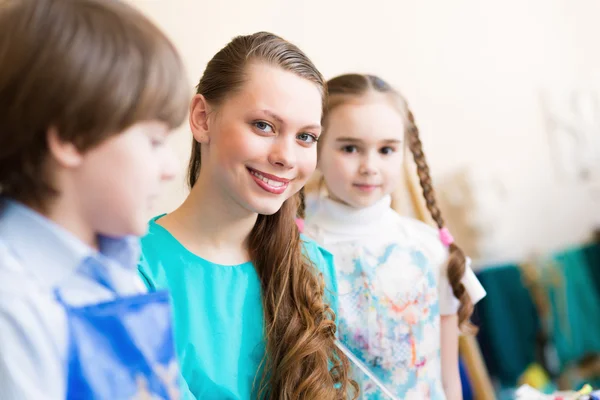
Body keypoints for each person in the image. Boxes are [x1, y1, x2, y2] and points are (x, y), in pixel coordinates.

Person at [138, 32, 357, 399]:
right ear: (202, 118)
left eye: (306, 137)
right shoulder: (133, 269)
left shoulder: (312, 265)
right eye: (264, 126)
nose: (286, 156)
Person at [0, 0, 191, 398]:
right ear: (70, 137)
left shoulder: (119, 270)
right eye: (154, 141)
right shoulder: (13, 304)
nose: (170, 167)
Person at [304, 73, 486, 399]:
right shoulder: (299, 252)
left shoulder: (430, 249)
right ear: (316, 148)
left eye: (386, 150)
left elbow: (448, 379)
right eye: (350, 148)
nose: (370, 166)